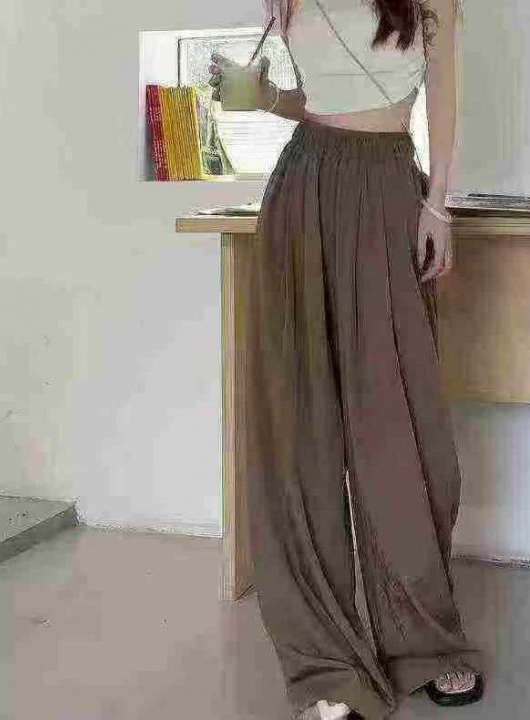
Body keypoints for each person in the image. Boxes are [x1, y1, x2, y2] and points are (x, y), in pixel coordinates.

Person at [209, 1, 484, 718]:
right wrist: (264, 97)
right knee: (301, 425)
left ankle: (422, 642)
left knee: (399, 426)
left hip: (388, 186)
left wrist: (438, 204)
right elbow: (319, 102)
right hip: (302, 189)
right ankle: (327, 664)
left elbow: (443, 95)